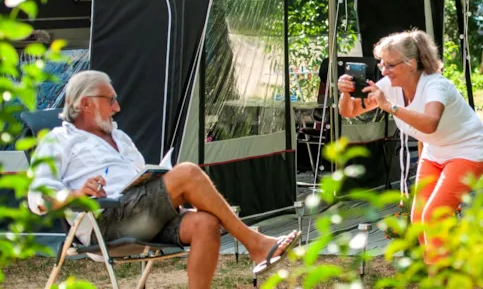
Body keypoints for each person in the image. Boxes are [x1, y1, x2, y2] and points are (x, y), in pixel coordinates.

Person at [28, 70, 299, 288]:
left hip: (143, 215)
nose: (117, 107)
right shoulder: (58, 140)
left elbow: (138, 180)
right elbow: (38, 197)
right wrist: (76, 194)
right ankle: (255, 243)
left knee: (205, 222)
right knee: (187, 172)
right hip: (107, 219)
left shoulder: (120, 138)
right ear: (84, 103)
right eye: (109, 100)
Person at [337, 30, 483, 263]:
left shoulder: (436, 85)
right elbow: (350, 111)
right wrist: (345, 94)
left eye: (389, 65)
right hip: (435, 151)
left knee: (433, 216)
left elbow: (430, 124)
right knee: (419, 216)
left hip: (466, 149)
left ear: (411, 64)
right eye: (381, 63)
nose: (383, 70)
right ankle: (436, 273)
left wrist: (390, 107)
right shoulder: (389, 84)